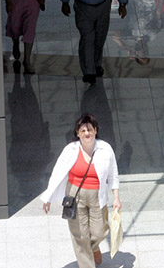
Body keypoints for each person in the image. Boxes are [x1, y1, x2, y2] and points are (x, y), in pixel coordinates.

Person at [40, 114, 121, 268]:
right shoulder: (70, 150)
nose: (86, 133)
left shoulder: (105, 149)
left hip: (97, 195)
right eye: (82, 130)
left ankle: (93, 248)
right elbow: (57, 173)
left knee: (99, 232)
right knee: (80, 235)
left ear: (96, 131)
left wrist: (116, 198)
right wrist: (48, 197)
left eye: (90, 129)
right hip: (75, 194)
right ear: (77, 133)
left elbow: (113, 174)